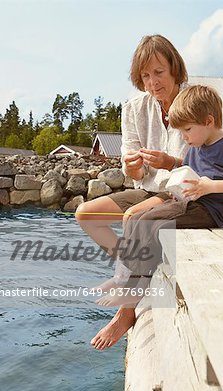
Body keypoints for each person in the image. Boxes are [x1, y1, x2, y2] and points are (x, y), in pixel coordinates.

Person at [95, 84, 223, 307]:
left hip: (209, 210)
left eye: (187, 130)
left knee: (148, 224)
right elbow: (188, 171)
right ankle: (121, 279)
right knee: (135, 218)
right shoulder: (197, 146)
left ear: (209, 121)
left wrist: (210, 186)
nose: (184, 137)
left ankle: (134, 289)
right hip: (187, 202)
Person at [75, 34, 190, 350]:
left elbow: (204, 160)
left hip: (183, 191)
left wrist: (170, 161)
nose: (153, 82)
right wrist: (134, 165)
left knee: (132, 217)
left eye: (159, 73)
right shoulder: (134, 106)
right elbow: (136, 175)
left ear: (174, 69)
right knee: (86, 215)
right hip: (148, 189)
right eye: (145, 76)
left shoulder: (194, 101)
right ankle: (137, 268)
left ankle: (126, 311)